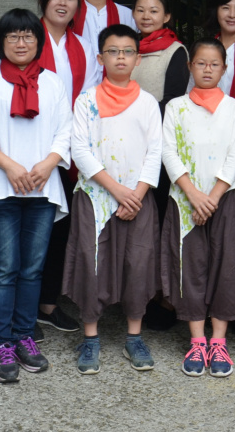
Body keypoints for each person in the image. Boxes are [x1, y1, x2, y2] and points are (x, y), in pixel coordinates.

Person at [0, 9, 72, 384]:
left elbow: (65, 131)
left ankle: (25, 336)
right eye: (13, 37)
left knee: (31, 268)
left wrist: (48, 164)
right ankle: (2, 343)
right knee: (3, 269)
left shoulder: (54, 84)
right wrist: (10, 167)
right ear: (1, 43)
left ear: (38, 43)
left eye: (28, 36)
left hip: (42, 188)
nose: (21, 42)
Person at [62, 24, 163, 374]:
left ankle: (134, 336)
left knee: (138, 264)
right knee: (93, 264)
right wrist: (116, 190)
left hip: (139, 197)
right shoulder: (87, 100)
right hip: (95, 196)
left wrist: (136, 193)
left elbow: (155, 152)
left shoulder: (148, 103)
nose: (120, 57)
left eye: (128, 51)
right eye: (113, 51)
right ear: (100, 56)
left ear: (138, 58)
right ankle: (90, 338)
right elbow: (80, 150)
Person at [160, 38, 235, 378]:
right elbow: (169, 152)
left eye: (214, 64)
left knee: (227, 266)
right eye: (201, 63)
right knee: (190, 267)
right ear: (190, 66)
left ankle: (219, 342)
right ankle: (197, 341)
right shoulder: (176, 107)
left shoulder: (234, 108)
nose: (207, 69)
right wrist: (193, 194)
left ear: (224, 69)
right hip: (186, 199)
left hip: (225, 198)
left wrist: (212, 196)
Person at [35, 0, 100, 337]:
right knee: (30, 228)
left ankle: (47, 303)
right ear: (43, 1)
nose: (63, 3)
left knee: (60, 230)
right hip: (29, 151)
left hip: (68, 152)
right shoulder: (28, 38)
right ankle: (23, 305)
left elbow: (88, 101)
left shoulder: (85, 48)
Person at [130, 0, 190, 331]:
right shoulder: (127, 48)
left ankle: (166, 298)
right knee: (139, 226)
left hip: (161, 151)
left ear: (167, 16)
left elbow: (173, 103)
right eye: (141, 10)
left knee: (163, 224)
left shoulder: (176, 51)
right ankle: (138, 293)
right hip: (126, 151)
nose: (147, 15)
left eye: (154, 10)